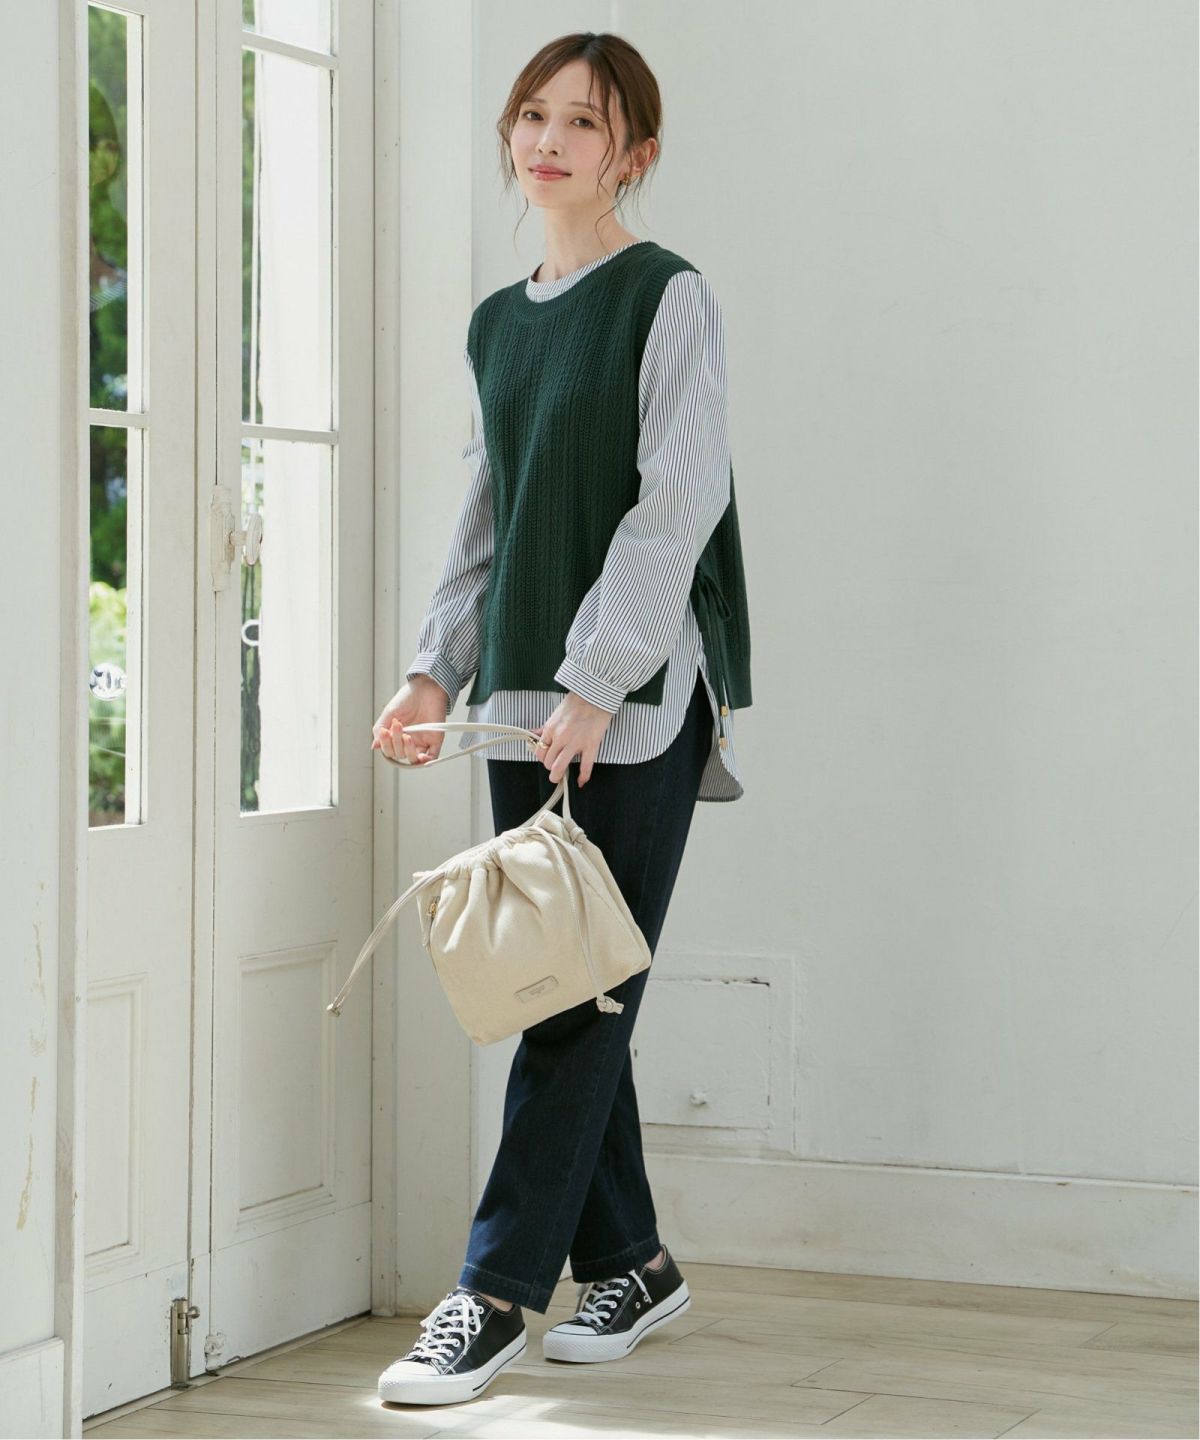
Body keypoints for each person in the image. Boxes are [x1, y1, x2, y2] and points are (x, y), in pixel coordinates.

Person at [370, 31, 752, 1408]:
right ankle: (634, 1262)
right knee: (562, 979)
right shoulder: (497, 321)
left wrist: (600, 680)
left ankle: (489, 1296)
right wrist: (435, 669)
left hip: (633, 702)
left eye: (582, 123)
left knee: (576, 1004)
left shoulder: (667, 296)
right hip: (524, 697)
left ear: (631, 153)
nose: (548, 140)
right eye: (533, 115)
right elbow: (492, 508)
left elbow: (677, 502)